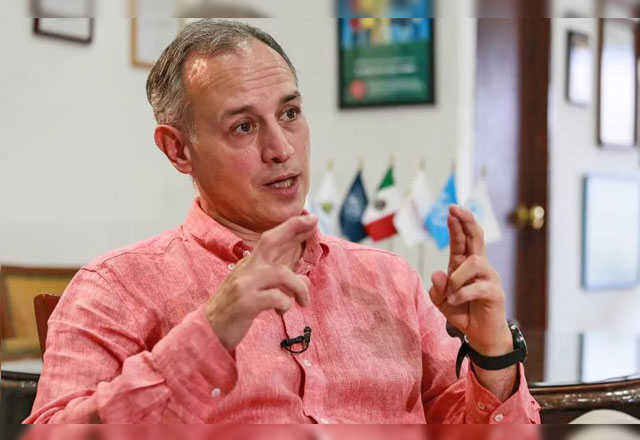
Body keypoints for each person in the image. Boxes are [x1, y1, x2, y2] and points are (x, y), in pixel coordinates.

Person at [26, 19, 540, 424]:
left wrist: (492, 352)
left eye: (290, 114)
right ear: (178, 149)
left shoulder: (390, 281)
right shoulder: (116, 288)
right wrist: (209, 333)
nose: (281, 149)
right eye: (243, 127)